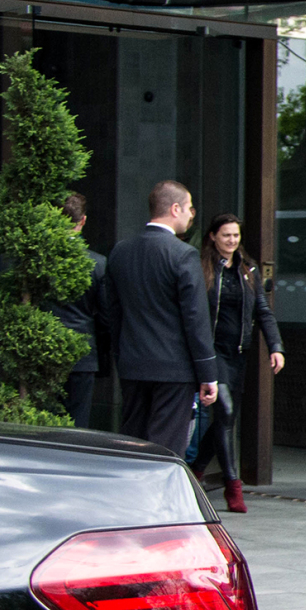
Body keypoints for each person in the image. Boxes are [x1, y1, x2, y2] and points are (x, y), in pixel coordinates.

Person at [104, 181, 218, 457]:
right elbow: (195, 319)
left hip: (133, 365)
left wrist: (122, 355)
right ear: (175, 208)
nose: (192, 214)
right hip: (174, 370)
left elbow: (113, 312)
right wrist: (208, 374)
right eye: (190, 208)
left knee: (132, 446)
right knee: (166, 451)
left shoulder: (121, 251)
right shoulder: (183, 254)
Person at [189, 213, 284, 514]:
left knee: (224, 420)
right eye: (226, 235)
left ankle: (195, 471)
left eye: (236, 236)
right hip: (212, 352)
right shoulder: (202, 267)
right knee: (226, 411)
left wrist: (275, 346)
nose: (232, 241)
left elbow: (263, 312)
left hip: (238, 353)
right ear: (213, 237)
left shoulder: (248, 269)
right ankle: (233, 486)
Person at [48, 193, 109, 430]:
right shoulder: (98, 263)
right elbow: (105, 316)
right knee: (77, 420)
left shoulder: (41, 259)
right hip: (83, 352)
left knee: (44, 418)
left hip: (45, 347)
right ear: (83, 220)